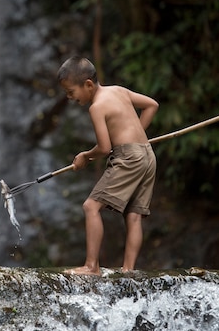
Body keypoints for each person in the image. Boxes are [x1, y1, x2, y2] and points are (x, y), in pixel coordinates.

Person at [57, 57, 158, 275]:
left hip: (129, 158)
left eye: (71, 92)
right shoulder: (119, 91)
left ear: (88, 85)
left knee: (90, 207)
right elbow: (152, 105)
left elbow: (104, 148)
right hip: (147, 155)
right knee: (134, 214)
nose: (69, 97)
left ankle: (92, 266)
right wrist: (136, 135)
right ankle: (128, 270)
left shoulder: (97, 107)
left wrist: (85, 156)